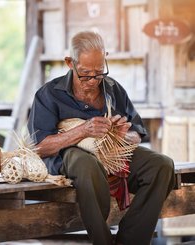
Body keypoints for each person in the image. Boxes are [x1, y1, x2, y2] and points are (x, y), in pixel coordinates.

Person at [27, 31, 175, 245]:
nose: (93, 80)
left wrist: (124, 137)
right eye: (86, 74)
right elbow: (39, 147)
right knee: (86, 163)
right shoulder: (49, 94)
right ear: (70, 63)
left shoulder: (113, 88)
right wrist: (83, 130)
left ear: (105, 58)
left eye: (99, 72)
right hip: (70, 157)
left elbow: (137, 131)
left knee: (162, 165)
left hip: (112, 154)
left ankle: (131, 241)